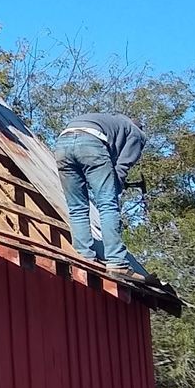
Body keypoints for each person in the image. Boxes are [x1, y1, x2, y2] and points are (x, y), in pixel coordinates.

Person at [54, 111, 147, 277]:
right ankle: (116, 261)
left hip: (62, 144)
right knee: (107, 204)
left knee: (77, 207)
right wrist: (114, 186)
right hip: (91, 144)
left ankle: (84, 256)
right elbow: (122, 166)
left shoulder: (111, 122)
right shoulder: (136, 133)